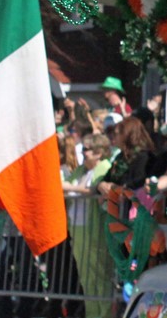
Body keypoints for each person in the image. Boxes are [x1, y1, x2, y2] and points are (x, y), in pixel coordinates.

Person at [62, 133, 114, 318]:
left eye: (87, 149)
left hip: (96, 230)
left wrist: (70, 188)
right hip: (78, 230)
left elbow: (92, 189)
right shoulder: (80, 170)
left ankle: (105, 315)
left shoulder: (105, 168)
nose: (82, 153)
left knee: (101, 277)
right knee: (86, 279)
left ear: (99, 152)